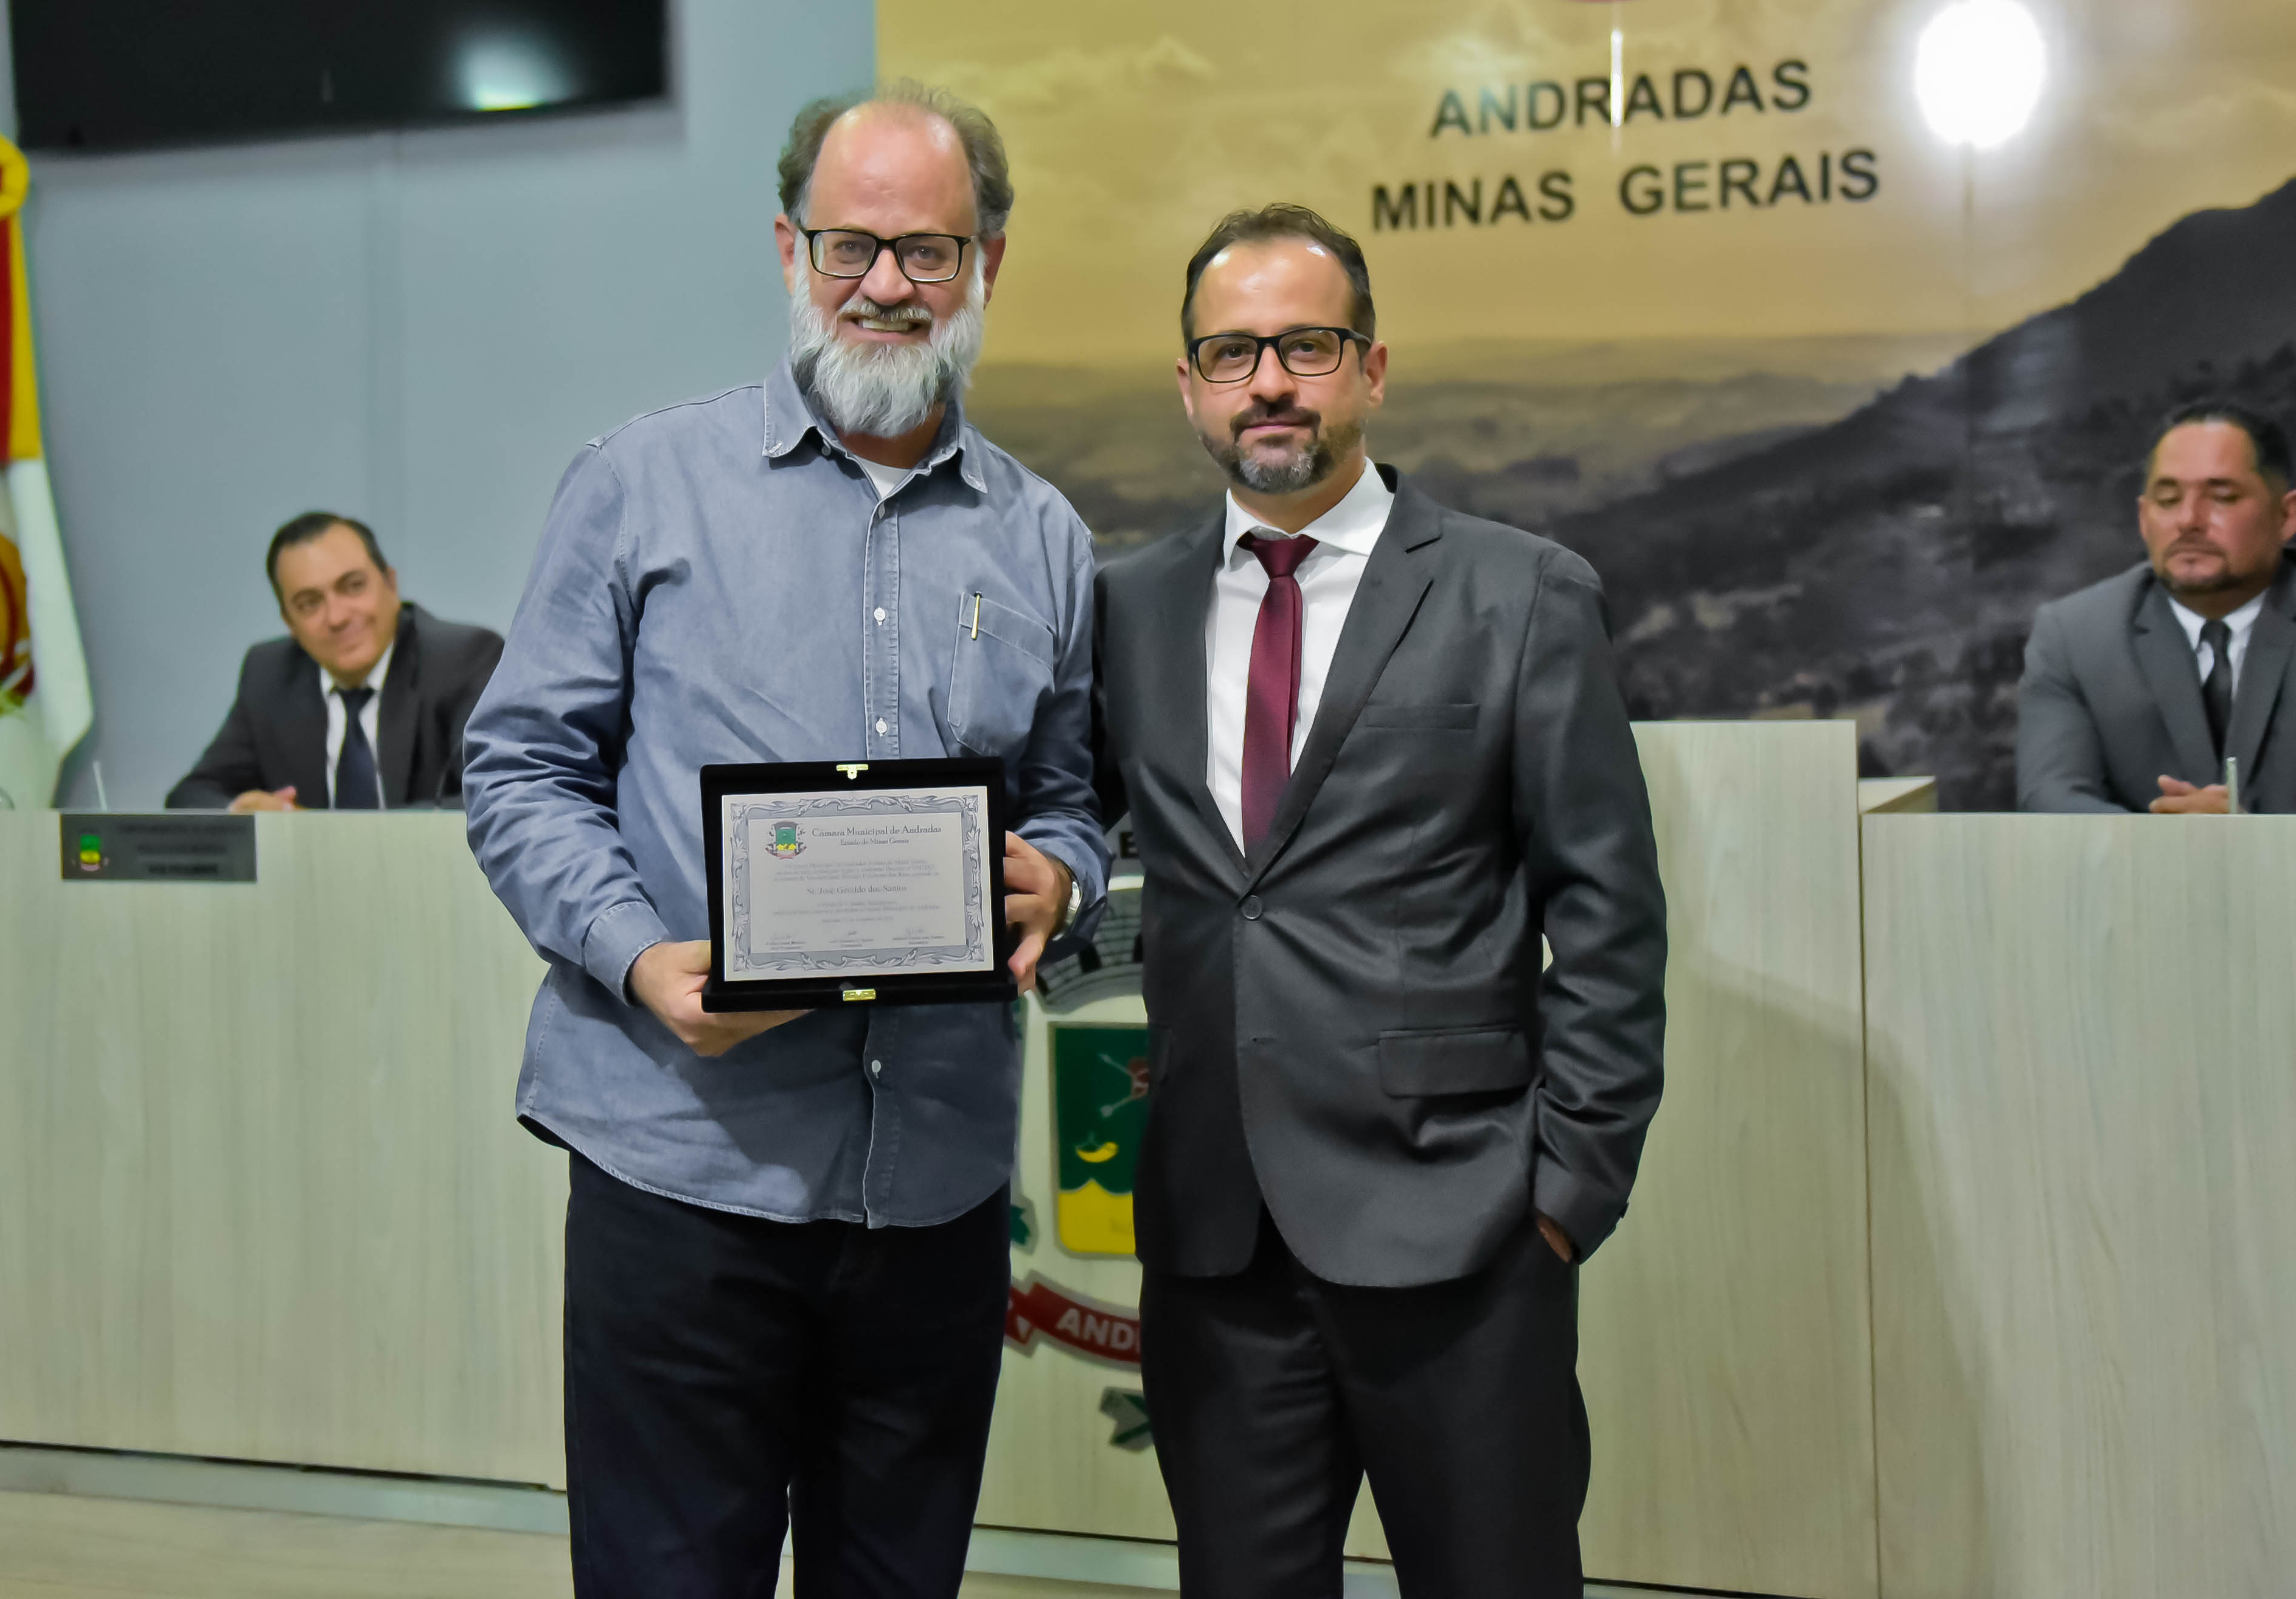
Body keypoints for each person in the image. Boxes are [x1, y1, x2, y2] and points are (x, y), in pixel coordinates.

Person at [461, 83, 1105, 1598]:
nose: (886, 283)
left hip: (934, 1185)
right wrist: (641, 957)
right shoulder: (639, 484)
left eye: (928, 249)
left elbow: (1070, 793)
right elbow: (519, 769)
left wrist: (1062, 874)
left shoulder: (1044, 537)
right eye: (849, 244)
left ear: (987, 263)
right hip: (683, 1162)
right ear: (787, 248)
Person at [1092, 204, 1668, 1599]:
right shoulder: (1130, 609)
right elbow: (1065, 827)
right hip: (1217, 1249)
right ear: (1188, 385)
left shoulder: (1519, 594)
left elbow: (1607, 914)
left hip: (1462, 1238)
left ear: (1372, 367)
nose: (1269, 383)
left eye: (1307, 345)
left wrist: (1564, 1193)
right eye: (1232, 352)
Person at [2018, 401, 2296, 814]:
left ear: (2286, 516)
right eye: (2167, 500)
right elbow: (2050, 798)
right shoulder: (2074, 636)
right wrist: (2164, 839)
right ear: (2143, 518)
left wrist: (2260, 843)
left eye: (2222, 498)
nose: (2188, 520)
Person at [165, 511, 503, 811]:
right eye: (309, 603)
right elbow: (193, 795)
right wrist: (242, 810)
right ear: (289, 622)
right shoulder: (269, 675)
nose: (337, 617)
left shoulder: (463, 659)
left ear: (391, 584)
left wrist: (314, 833)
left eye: (353, 587)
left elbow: (488, 800)